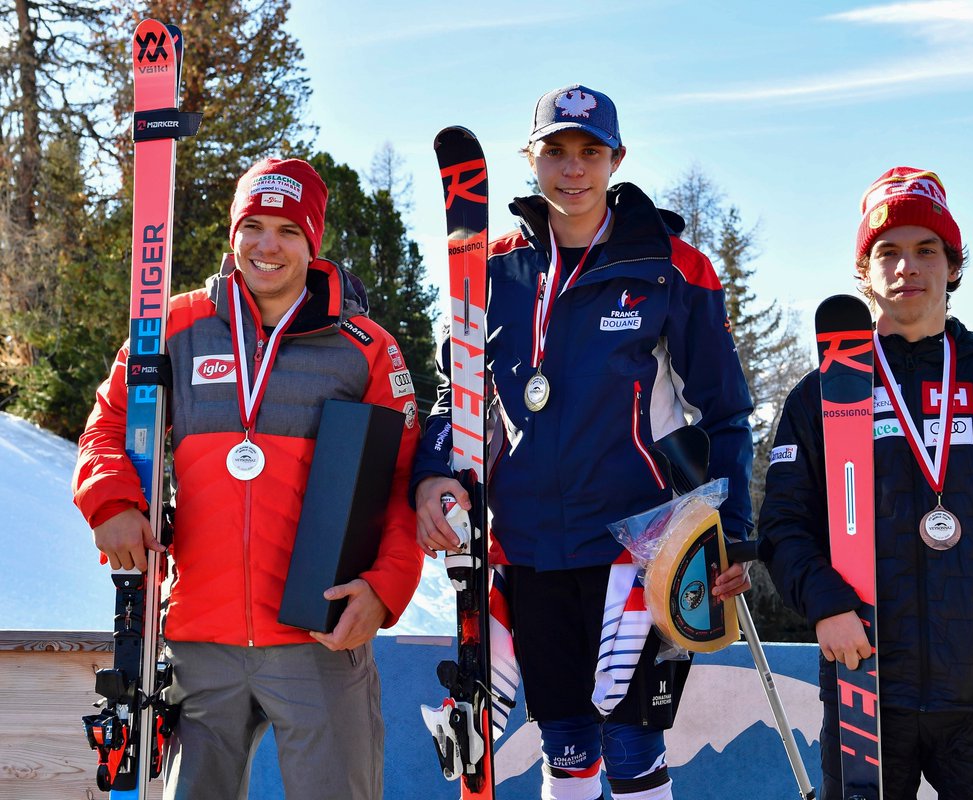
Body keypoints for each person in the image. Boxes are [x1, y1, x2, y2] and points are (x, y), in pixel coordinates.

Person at [412, 85, 754, 800]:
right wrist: (436, 473)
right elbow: (458, 393)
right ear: (530, 159)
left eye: (590, 152)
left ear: (616, 158)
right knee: (564, 743)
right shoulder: (492, 266)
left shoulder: (672, 266)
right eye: (556, 151)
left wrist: (732, 540)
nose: (573, 169)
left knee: (632, 743)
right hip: (529, 545)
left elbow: (725, 412)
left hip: (636, 548)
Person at [72, 157, 424, 800]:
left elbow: (400, 480)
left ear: (312, 241)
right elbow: (110, 424)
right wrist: (111, 500)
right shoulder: (173, 325)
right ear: (233, 232)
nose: (267, 245)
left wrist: (383, 587)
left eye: (288, 231)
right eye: (253, 226)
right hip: (198, 639)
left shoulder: (366, 346)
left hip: (318, 636)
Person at [758, 166, 973, 799]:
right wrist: (824, 601)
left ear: (952, 266)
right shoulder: (820, 396)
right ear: (864, 271)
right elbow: (784, 526)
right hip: (866, 689)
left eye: (926, 249)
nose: (907, 266)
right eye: (888, 252)